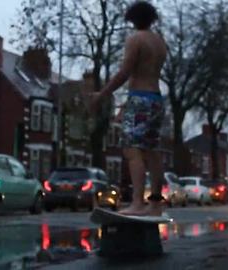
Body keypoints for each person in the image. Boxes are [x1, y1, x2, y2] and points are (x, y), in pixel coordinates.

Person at [90, 1, 167, 216]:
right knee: (152, 152)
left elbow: (125, 72)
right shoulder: (159, 42)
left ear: (133, 19)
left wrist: (102, 94)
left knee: (132, 151)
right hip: (156, 99)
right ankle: (154, 204)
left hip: (140, 98)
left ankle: (137, 203)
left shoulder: (136, 39)